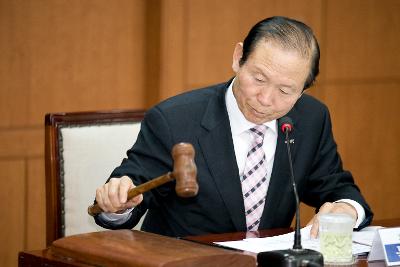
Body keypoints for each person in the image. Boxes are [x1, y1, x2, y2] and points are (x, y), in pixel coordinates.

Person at [93, 16, 373, 238]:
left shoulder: (312, 119)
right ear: (238, 58)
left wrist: (347, 209)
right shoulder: (174, 119)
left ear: (304, 89)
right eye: (259, 79)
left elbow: (336, 187)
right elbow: (130, 194)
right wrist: (117, 203)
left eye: (286, 91)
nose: (265, 100)